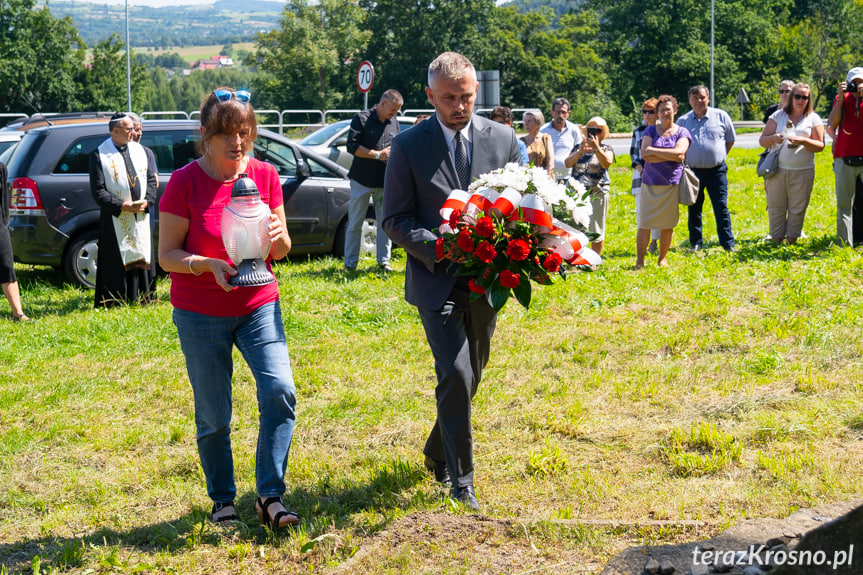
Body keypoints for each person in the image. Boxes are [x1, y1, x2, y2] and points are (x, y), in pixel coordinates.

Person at [382, 52, 521, 511]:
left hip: (487, 280)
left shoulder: (502, 138)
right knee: (456, 373)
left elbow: (527, 201)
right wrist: (443, 246)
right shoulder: (408, 145)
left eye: (464, 97)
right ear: (429, 96)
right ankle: (461, 482)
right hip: (435, 279)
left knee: (471, 375)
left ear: (476, 91)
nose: (458, 106)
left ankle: (436, 448)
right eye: (447, 99)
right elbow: (394, 219)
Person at [158, 87, 299, 529]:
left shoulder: (265, 175)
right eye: (225, 134)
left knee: (280, 392)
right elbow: (166, 255)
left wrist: (279, 236)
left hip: (259, 304)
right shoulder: (184, 182)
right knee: (214, 413)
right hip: (200, 312)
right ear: (204, 135)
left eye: (244, 132)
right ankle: (223, 501)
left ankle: (270, 497)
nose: (237, 142)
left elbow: (283, 249)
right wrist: (203, 264)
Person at [88, 112, 158, 307]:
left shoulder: (140, 151)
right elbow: (98, 190)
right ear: (116, 130)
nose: (133, 132)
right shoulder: (99, 154)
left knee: (142, 252)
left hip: (141, 214)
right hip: (115, 217)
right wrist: (120, 206)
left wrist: (148, 201)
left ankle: (144, 297)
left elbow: (151, 180)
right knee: (117, 258)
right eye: (129, 129)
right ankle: (116, 299)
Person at [757, 83, 825, 244]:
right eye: (798, 96)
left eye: (805, 97)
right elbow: (762, 141)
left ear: (809, 100)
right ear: (791, 97)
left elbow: (820, 145)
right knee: (776, 207)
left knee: (798, 208)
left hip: (803, 171)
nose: (801, 100)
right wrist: (774, 138)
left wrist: (803, 141)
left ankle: (792, 241)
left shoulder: (813, 118)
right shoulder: (778, 116)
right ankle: (776, 239)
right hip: (777, 170)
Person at [344, 89, 403, 272]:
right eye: (393, 110)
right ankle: (350, 264)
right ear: (383, 103)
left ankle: (384, 262)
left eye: (397, 111)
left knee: (384, 223)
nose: (395, 114)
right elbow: (351, 146)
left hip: (385, 182)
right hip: (361, 180)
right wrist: (378, 155)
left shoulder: (394, 122)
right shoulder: (361, 118)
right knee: (355, 223)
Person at [676, 85, 737, 252]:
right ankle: (696, 243)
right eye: (695, 98)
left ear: (708, 98)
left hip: (717, 171)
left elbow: (730, 140)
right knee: (694, 208)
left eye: (702, 97)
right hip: (693, 172)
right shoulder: (682, 121)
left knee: (721, 207)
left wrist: (718, 155)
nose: (699, 101)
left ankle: (728, 243)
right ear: (689, 101)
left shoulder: (721, 116)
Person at [637, 95, 692, 269]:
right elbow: (644, 155)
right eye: (661, 110)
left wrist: (654, 151)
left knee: (667, 225)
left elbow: (680, 154)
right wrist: (670, 154)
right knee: (644, 223)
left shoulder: (682, 132)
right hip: (649, 183)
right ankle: (640, 261)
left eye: (668, 109)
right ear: (658, 113)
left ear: (675, 111)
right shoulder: (650, 131)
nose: (665, 113)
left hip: (671, 184)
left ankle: (662, 258)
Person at [564, 116, 615, 255]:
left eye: (597, 130)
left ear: (602, 133)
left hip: (598, 192)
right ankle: (577, 257)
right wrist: (580, 151)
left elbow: (607, 163)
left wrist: (597, 148)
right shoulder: (578, 147)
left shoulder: (606, 148)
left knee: (596, 227)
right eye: (590, 130)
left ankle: (594, 259)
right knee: (576, 226)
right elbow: (567, 163)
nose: (593, 134)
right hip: (578, 193)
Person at [827, 67, 863, 246]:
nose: (857, 87)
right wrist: (841, 98)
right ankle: (844, 244)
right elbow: (832, 123)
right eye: (853, 83)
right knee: (844, 204)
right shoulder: (842, 99)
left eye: (860, 82)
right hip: (843, 156)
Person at [631, 98, 661, 254]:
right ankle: (642, 244)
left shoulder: (663, 130)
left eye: (651, 111)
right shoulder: (638, 131)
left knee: (658, 210)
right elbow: (633, 155)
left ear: (657, 113)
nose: (647, 115)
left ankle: (655, 241)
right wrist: (642, 170)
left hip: (660, 177)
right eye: (645, 111)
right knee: (641, 211)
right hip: (641, 176)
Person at [0, 161, 29, 321]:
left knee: (6, 265)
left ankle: (18, 313)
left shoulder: (0, 167)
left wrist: (4, 225)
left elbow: (4, 201)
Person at [540, 97, 583, 182]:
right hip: (548, 178)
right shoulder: (543, 131)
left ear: (568, 113)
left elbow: (579, 151)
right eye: (557, 112)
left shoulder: (574, 130)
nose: (560, 115)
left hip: (569, 178)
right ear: (552, 112)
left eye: (563, 112)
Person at [521, 109, 554, 177]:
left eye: (529, 121)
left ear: (538, 122)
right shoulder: (522, 141)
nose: (526, 124)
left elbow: (550, 162)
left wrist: (546, 177)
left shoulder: (546, 138)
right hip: (527, 178)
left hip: (544, 177)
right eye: (525, 121)